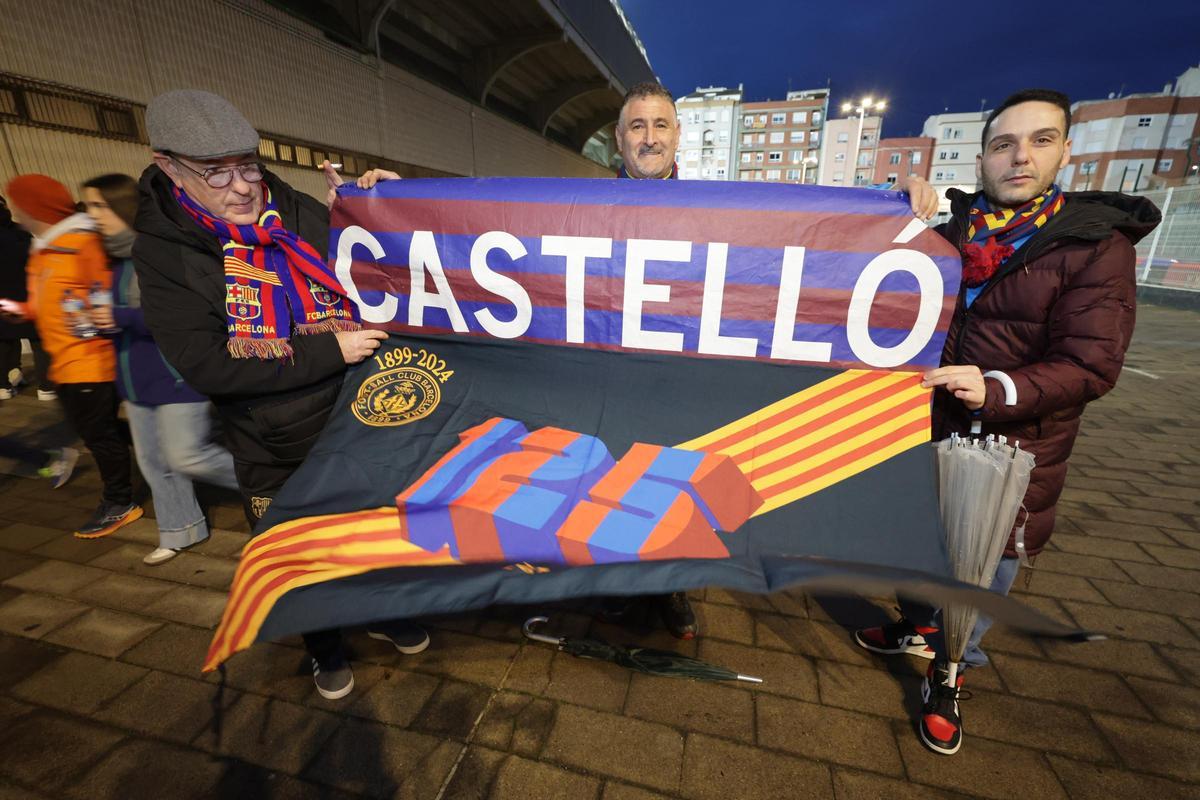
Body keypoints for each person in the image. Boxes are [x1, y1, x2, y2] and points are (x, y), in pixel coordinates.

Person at [853, 88, 1160, 756]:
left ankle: (950, 673)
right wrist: (895, 199)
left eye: (1040, 140)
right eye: (1004, 144)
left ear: (1065, 152)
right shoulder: (958, 227)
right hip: (930, 427)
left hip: (1017, 443)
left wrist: (996, 387)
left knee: (985, 565)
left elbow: (1091, 366)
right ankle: (916, 626)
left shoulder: (1095, 247)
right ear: (985, 158)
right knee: (913, 538)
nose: (1020, 156)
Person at [605, 82, 939, 640]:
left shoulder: (718, 211)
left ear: (679, 136)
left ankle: (672, 588)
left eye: (660, 125)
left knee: (672, 485)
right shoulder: (575, 207)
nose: (649, 138)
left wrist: (895, 205)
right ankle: (615, 588)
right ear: (618, 139)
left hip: (684, 379)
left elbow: (807, 235)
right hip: (614, 376)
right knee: (614, 484)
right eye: (637, 126)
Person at [133, 89, 426, 700]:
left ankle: (384, 610)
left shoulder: (287, 207)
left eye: (249, 164)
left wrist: (381, 205)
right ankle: (323, 646)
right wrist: (328, 350)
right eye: (217, 173)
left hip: (352, 419)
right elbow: (207, 364)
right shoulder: (167, 252)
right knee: (299, 555)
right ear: (168, 167)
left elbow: (378, 268)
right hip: (271, 441)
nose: (243, 187)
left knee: (367, 532)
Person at [82, 173, 241, 566]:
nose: (93, 215)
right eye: (88, 206)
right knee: (155, 463)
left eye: (99, 205)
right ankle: (180, 530)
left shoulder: (156, 253)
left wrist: (119, 317)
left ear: (122, 206)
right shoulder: (113, 259)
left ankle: (274, 483)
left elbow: (179, 314)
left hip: (177, 376)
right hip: (137, 382)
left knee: (188, 456)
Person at [1, 175, 141, 537]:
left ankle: (119, 501)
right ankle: (151, 445)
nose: (15, 212)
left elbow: (106, 299)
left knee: (98, 436)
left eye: (19, 205)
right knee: (96, 430)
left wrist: (89, 319)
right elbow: (49, 301)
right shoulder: (45, 248)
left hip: (89, 360)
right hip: (64, 361)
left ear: (35, 208)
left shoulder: (82, 245)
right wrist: (24, 310)